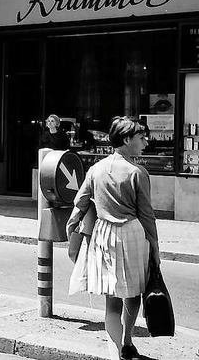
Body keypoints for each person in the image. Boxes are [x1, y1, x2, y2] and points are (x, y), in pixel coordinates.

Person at [68, 116, 160, 360]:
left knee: (112, 299)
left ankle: (115, 352)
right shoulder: (137, 172)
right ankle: (128, 342)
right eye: (141, 137)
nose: (145, 141)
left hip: (104, 234)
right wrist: (155, 247)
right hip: (132, 233)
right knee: (133, 292)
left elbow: (80, 203)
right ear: (127, 139)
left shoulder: (96, 169)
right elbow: (147, 215)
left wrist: (72, 232)